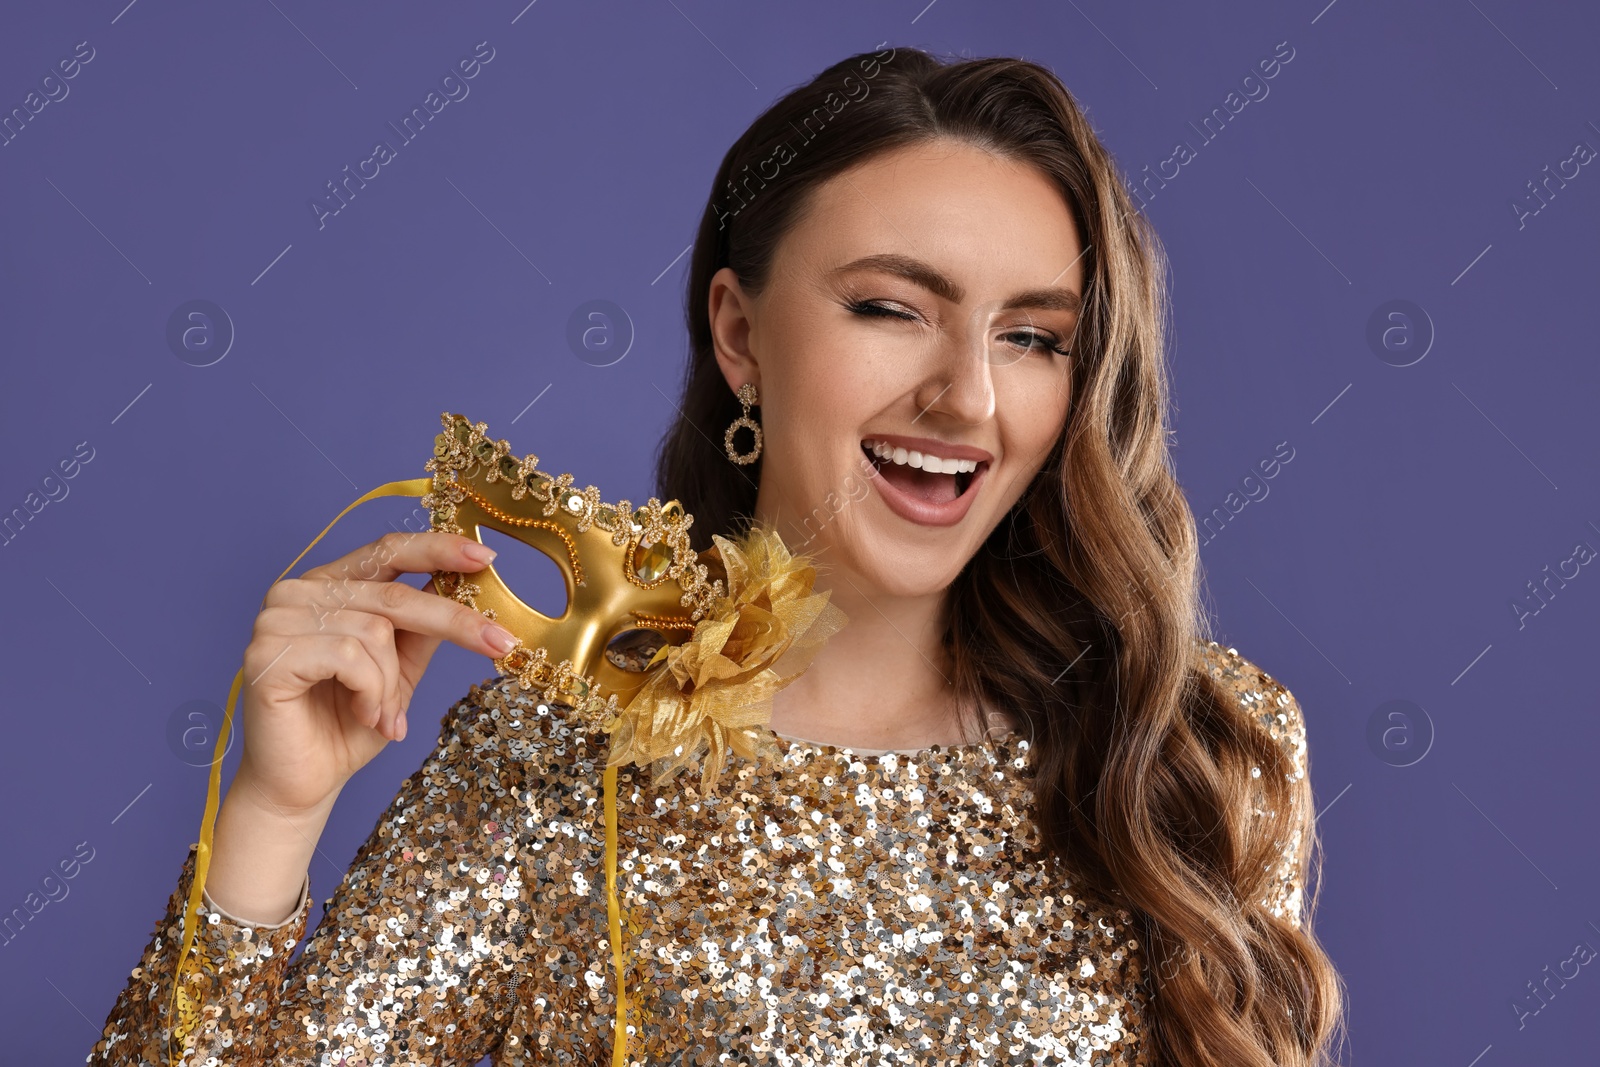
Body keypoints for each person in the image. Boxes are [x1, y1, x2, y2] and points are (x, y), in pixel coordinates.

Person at [90, 45, 1344, 1066]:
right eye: (892, 309)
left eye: (1030, 337)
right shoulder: (553, 759)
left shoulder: (1197, 749)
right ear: (740, 334)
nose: (968, 397)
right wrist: (273, 814)